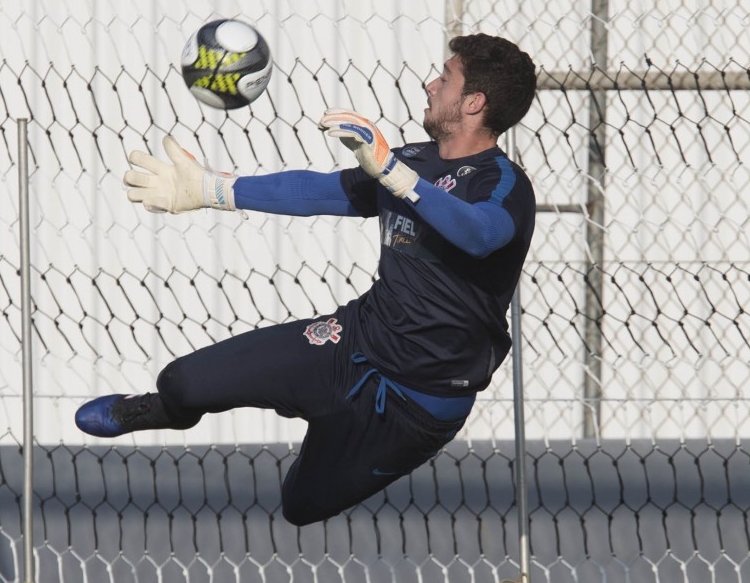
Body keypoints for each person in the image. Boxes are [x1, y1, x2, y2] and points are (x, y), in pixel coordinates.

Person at [75, 33, 537, 526]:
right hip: (352, 343)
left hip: (417, 403)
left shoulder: (502, 183)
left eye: (445, 78)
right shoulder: (412, 161)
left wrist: (395, 176)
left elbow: (480, 234)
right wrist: (215, 190)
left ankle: (331, 418)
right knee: (182, 383)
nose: (430, 84)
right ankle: (156, 410)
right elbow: (317, 191)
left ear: (473, 102)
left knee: (301, 507)